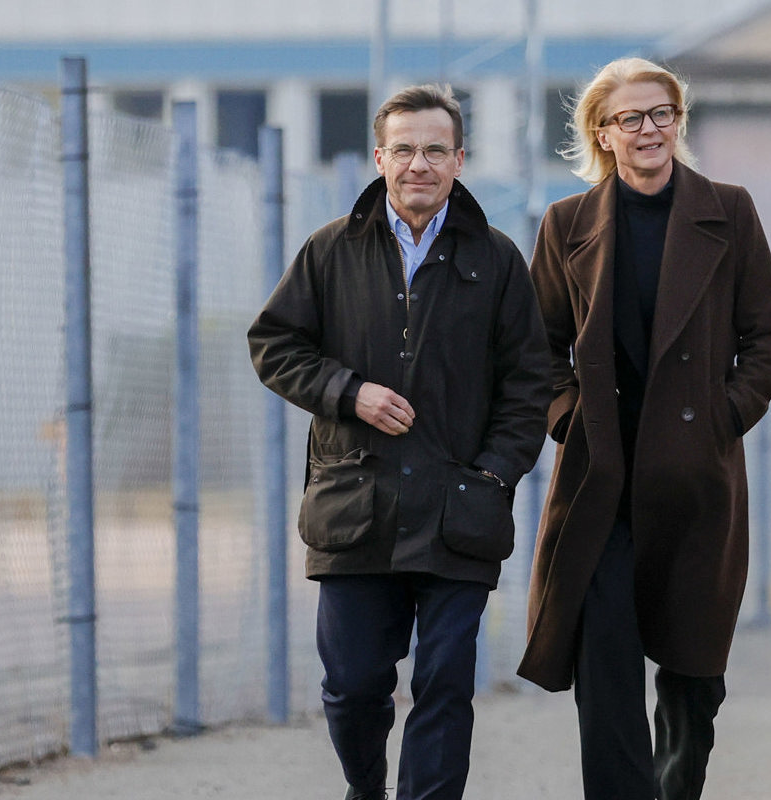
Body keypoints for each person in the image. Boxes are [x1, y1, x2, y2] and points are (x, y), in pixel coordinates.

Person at [248, 84, 549, 800]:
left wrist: (494, 474)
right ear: (381, 156)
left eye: (436, 150)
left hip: (458, 511)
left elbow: (530, 382)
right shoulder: (329, 250)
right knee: (353, 687)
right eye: (406, 149)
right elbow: (274, 344)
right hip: (356, 506)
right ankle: (366, 788)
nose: (421, 164)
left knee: (445, 683)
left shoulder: (498, 260)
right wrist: (349, 392)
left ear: (459, 159)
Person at [517, 57, 771, 800]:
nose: (650, 130)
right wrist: (568, 417)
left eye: (662, 113)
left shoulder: (728, 211)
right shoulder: (567, 224)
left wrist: (726, 417)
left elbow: (767, 335)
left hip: (696, 476)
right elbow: (537, 347)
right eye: (631, 118)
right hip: (602, 481)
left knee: (693, 675)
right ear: (602, 134)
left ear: (679, 121)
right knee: (604, 662)